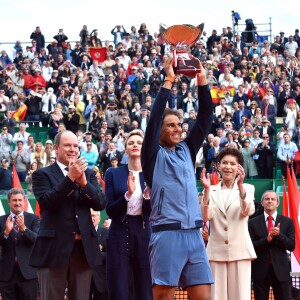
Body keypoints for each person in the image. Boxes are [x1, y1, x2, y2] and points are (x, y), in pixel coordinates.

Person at [142, 57, 213, 300]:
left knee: (204, 295)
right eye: (170, 125)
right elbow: (153, 120)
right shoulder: (151, 154)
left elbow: (205, 117)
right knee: (163, 296)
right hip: (167, 234)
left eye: (179, 124)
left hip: (194, 234)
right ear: (160, 130)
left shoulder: (187, 149)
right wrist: (169, 79)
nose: (177, 128)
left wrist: (201, 78)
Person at [29, 130, 107, 300]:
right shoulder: (42, 174)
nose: (72, 149)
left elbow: (100, 203)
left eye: (75, 146)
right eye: (67, 145)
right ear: (56, 148)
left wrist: (85, 184)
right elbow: (47, 203)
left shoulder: (89, 174)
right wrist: (70, 178)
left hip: (83, 250)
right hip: (53, 249)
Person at [200, 147, 256, 300]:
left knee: (240, 295)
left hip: (240, 252)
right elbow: (206, 216)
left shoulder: (248, 189)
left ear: (239, 168)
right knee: (216, 296)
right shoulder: (210, 190)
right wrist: (206, 190)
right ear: (218, 166)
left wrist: (240, 186)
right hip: (215, 252)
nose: (228, 167)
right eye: (224, 163)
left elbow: (248, 211)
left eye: (232, 164)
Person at [105, 129, 152, 300]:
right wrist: (128, 195)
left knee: (145, 288)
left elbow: (153, 213)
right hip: (118, 231)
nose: (135, 145)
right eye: (131, 143)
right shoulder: (113, 173)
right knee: (118, 288)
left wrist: (147, 197)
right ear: (125, 149)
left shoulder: (151, 174)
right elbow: (109, 210)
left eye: (139, 143)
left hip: (144, 232)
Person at [249, 190, 295, 300]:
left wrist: (279, 235)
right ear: (262, 203)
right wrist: (267, 240)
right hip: (260, 272)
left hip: (281, 272)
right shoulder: (252, 222)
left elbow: (291, 246)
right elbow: (250, 247)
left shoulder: (287, 222)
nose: (270, 201)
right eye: (267, 199)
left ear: (277, 203)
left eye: (273, 199)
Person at [0, 188, 40, 300]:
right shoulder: (1, 220)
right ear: (8, 202)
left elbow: (36, 240)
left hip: (28, 274)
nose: (17, 203)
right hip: (6, 274)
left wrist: (23, 229)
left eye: (19, 200)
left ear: (24, 201)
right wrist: (6, 232)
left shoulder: (34, 219)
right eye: (14, 200)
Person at [89, 209, 109, 300]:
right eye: (90, 216)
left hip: (101, 279)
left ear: (99, 218)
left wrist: (96, 254)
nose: (91, 218)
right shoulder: (80, 234)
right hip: (84, 279)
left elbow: (110, 255)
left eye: (94, 216)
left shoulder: (106, 233)